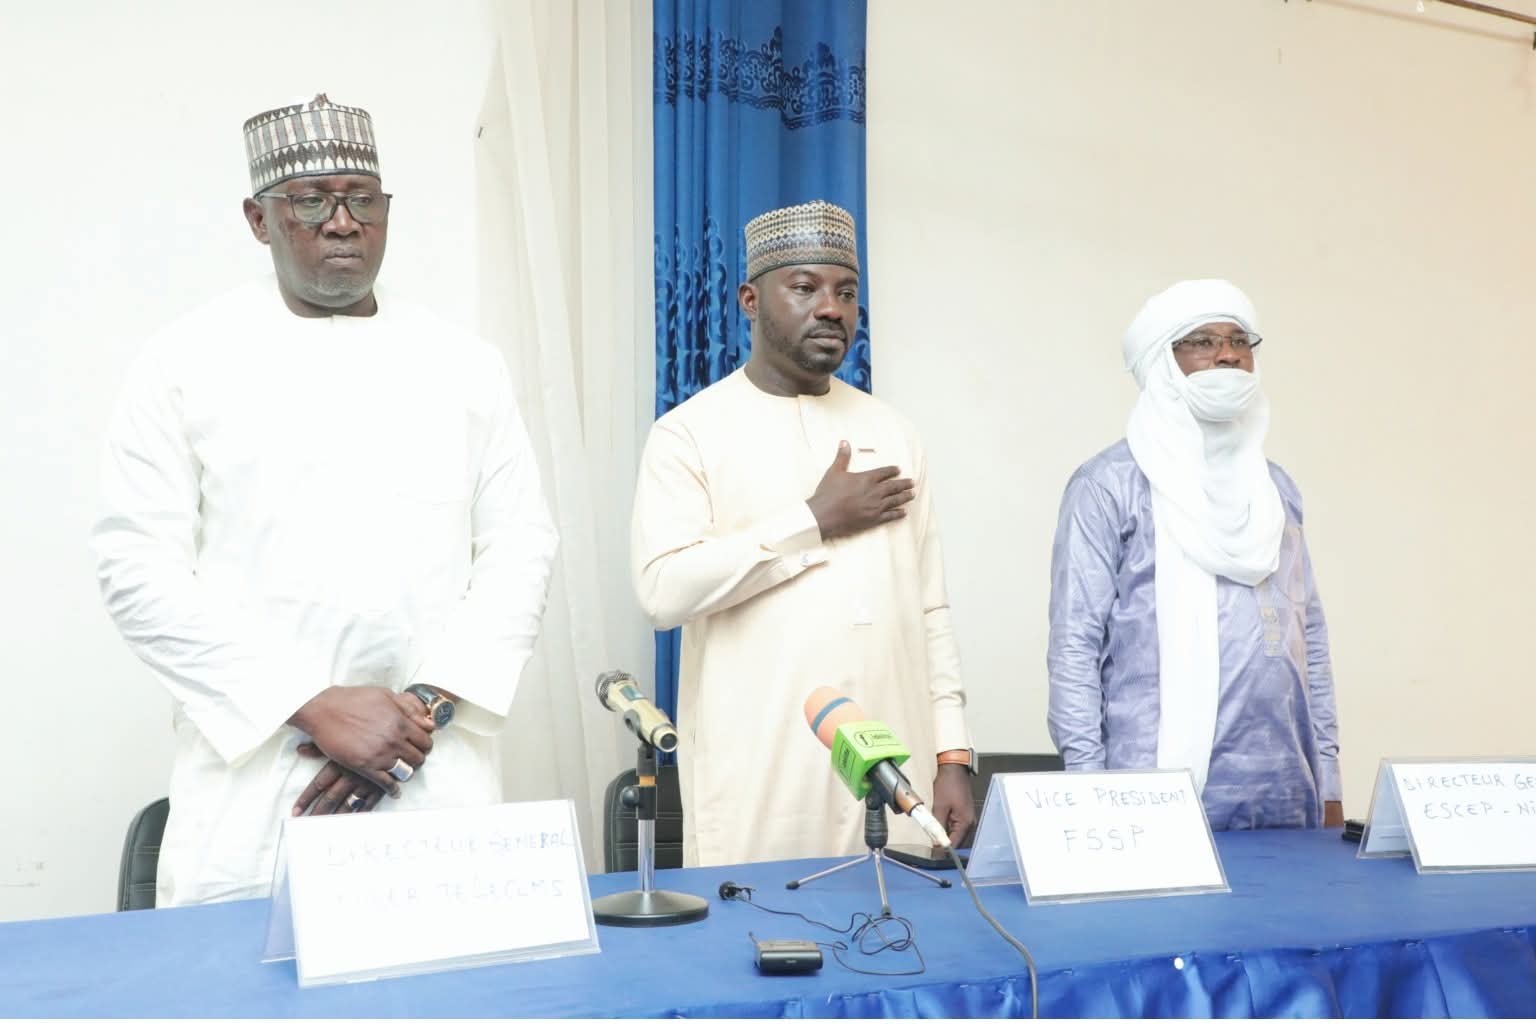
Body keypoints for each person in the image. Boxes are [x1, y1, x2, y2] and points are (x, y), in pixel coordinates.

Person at [91, 94, 558, 906]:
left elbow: (521, 549)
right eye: (311, 201)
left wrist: (422, 712)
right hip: (266, 778)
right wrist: (311, 707)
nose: (342, 223)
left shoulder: (464, 366)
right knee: (247, 972)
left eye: (361, 200)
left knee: (446, 969)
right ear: (258, 220)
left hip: (432, 769)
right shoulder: (184, 363)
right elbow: (136, 570)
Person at [630, 199, 975, 866]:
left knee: (899, 925)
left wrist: (952, 754)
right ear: (750, 300)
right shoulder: (690, 434)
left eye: (846, 292)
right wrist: (813, 520)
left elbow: (930, 610)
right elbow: (662, 591)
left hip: (895, 772)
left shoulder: (895, 434)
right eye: (805, 288)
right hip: (760, 773)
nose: (831, 309)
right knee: (763, 925)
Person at [1047, 279, 1343, 830]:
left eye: (1240, 340)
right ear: (1162, 360)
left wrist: (1328, 780)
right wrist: (1086, 787)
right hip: (1150, 799)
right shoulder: (1109, 485)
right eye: (1203, 341)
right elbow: (1075, 647)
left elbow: (1311, 639)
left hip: (1285, 796)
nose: (1228, 355)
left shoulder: (1275, 490)